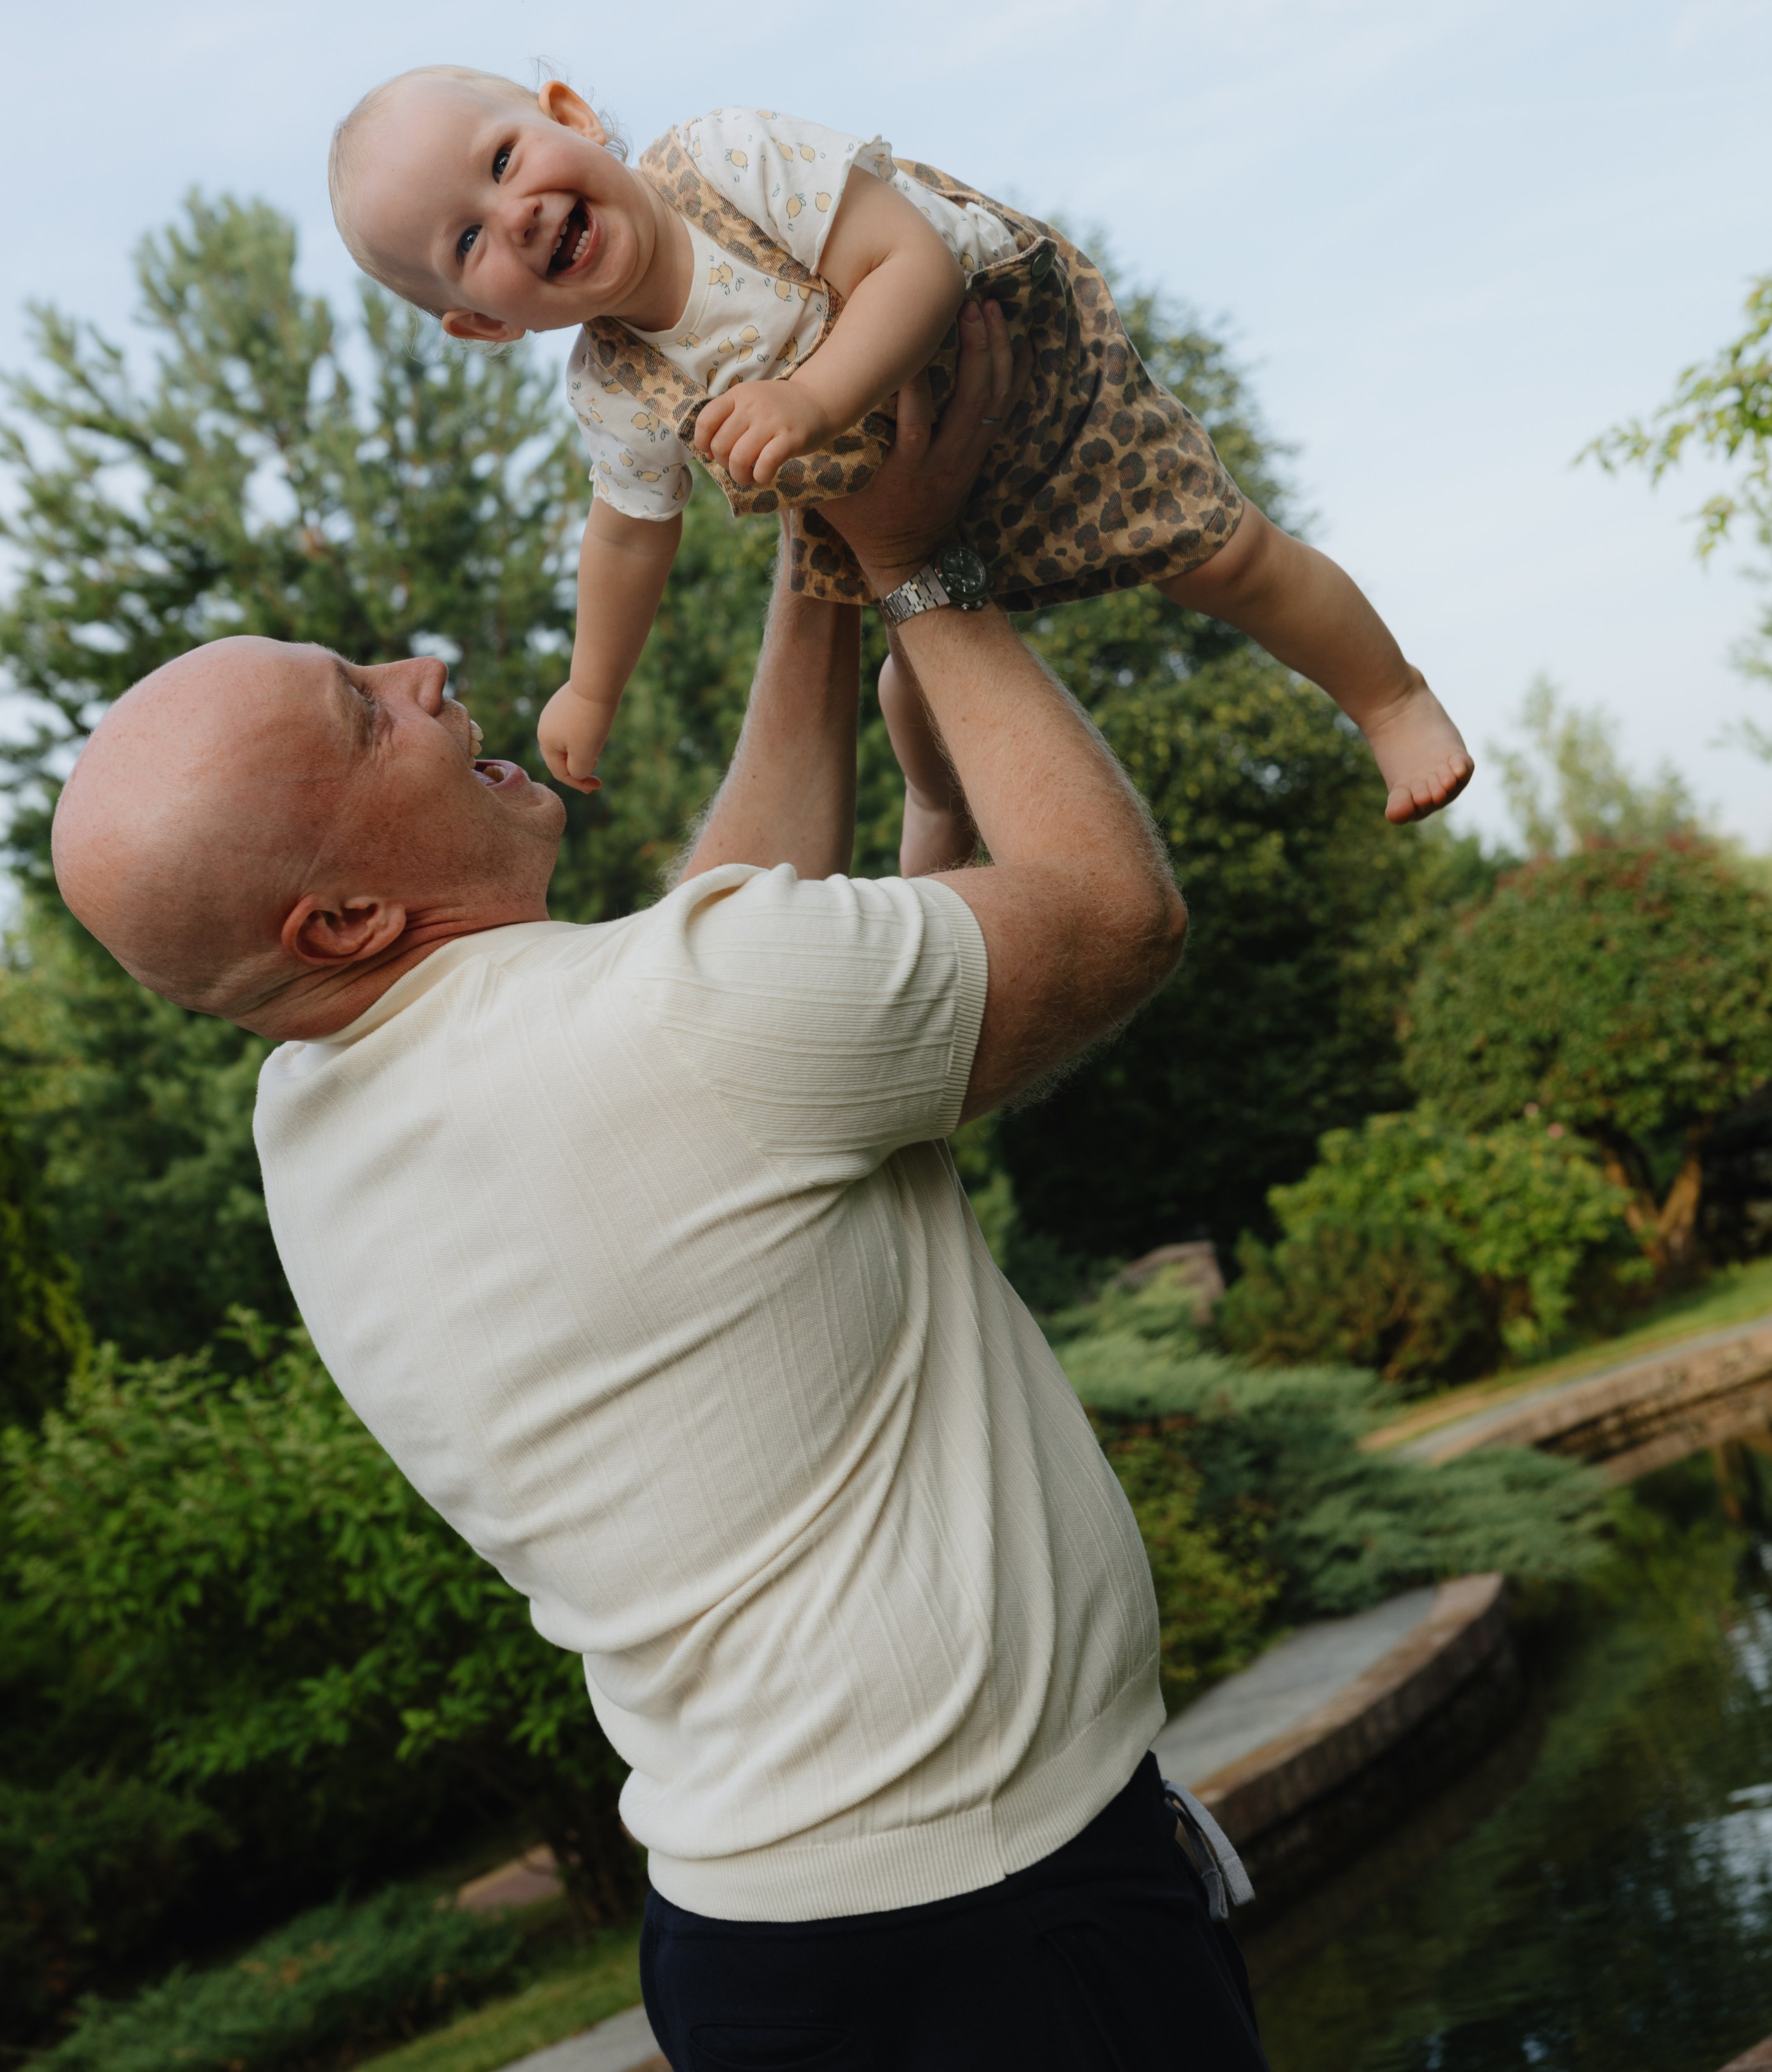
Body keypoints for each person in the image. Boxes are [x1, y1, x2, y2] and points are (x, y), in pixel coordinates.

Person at [51, 309, 1268, 2071]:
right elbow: (1108, 914)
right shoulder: (672, 1027)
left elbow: (705, 957)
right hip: (1000, 1938)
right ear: (338, 922)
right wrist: (921, 562)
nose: (427, 669)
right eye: (362, 708)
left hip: (759, 1961)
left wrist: (816, 567)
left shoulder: (315, 1117)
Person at [326, 65, 1472, 861]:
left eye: (504, 157)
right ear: (479, 323)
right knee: (915, 668)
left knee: (1220, 557)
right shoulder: (612, 386)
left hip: (1013, 364)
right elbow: (629, 533)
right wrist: (593, 684)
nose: (513, 213)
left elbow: (910, 264)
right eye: (466, 240)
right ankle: (937, 801)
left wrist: (809, 395)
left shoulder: (724, 161)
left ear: (570, 112)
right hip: (876, 480)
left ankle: (1390, 697)